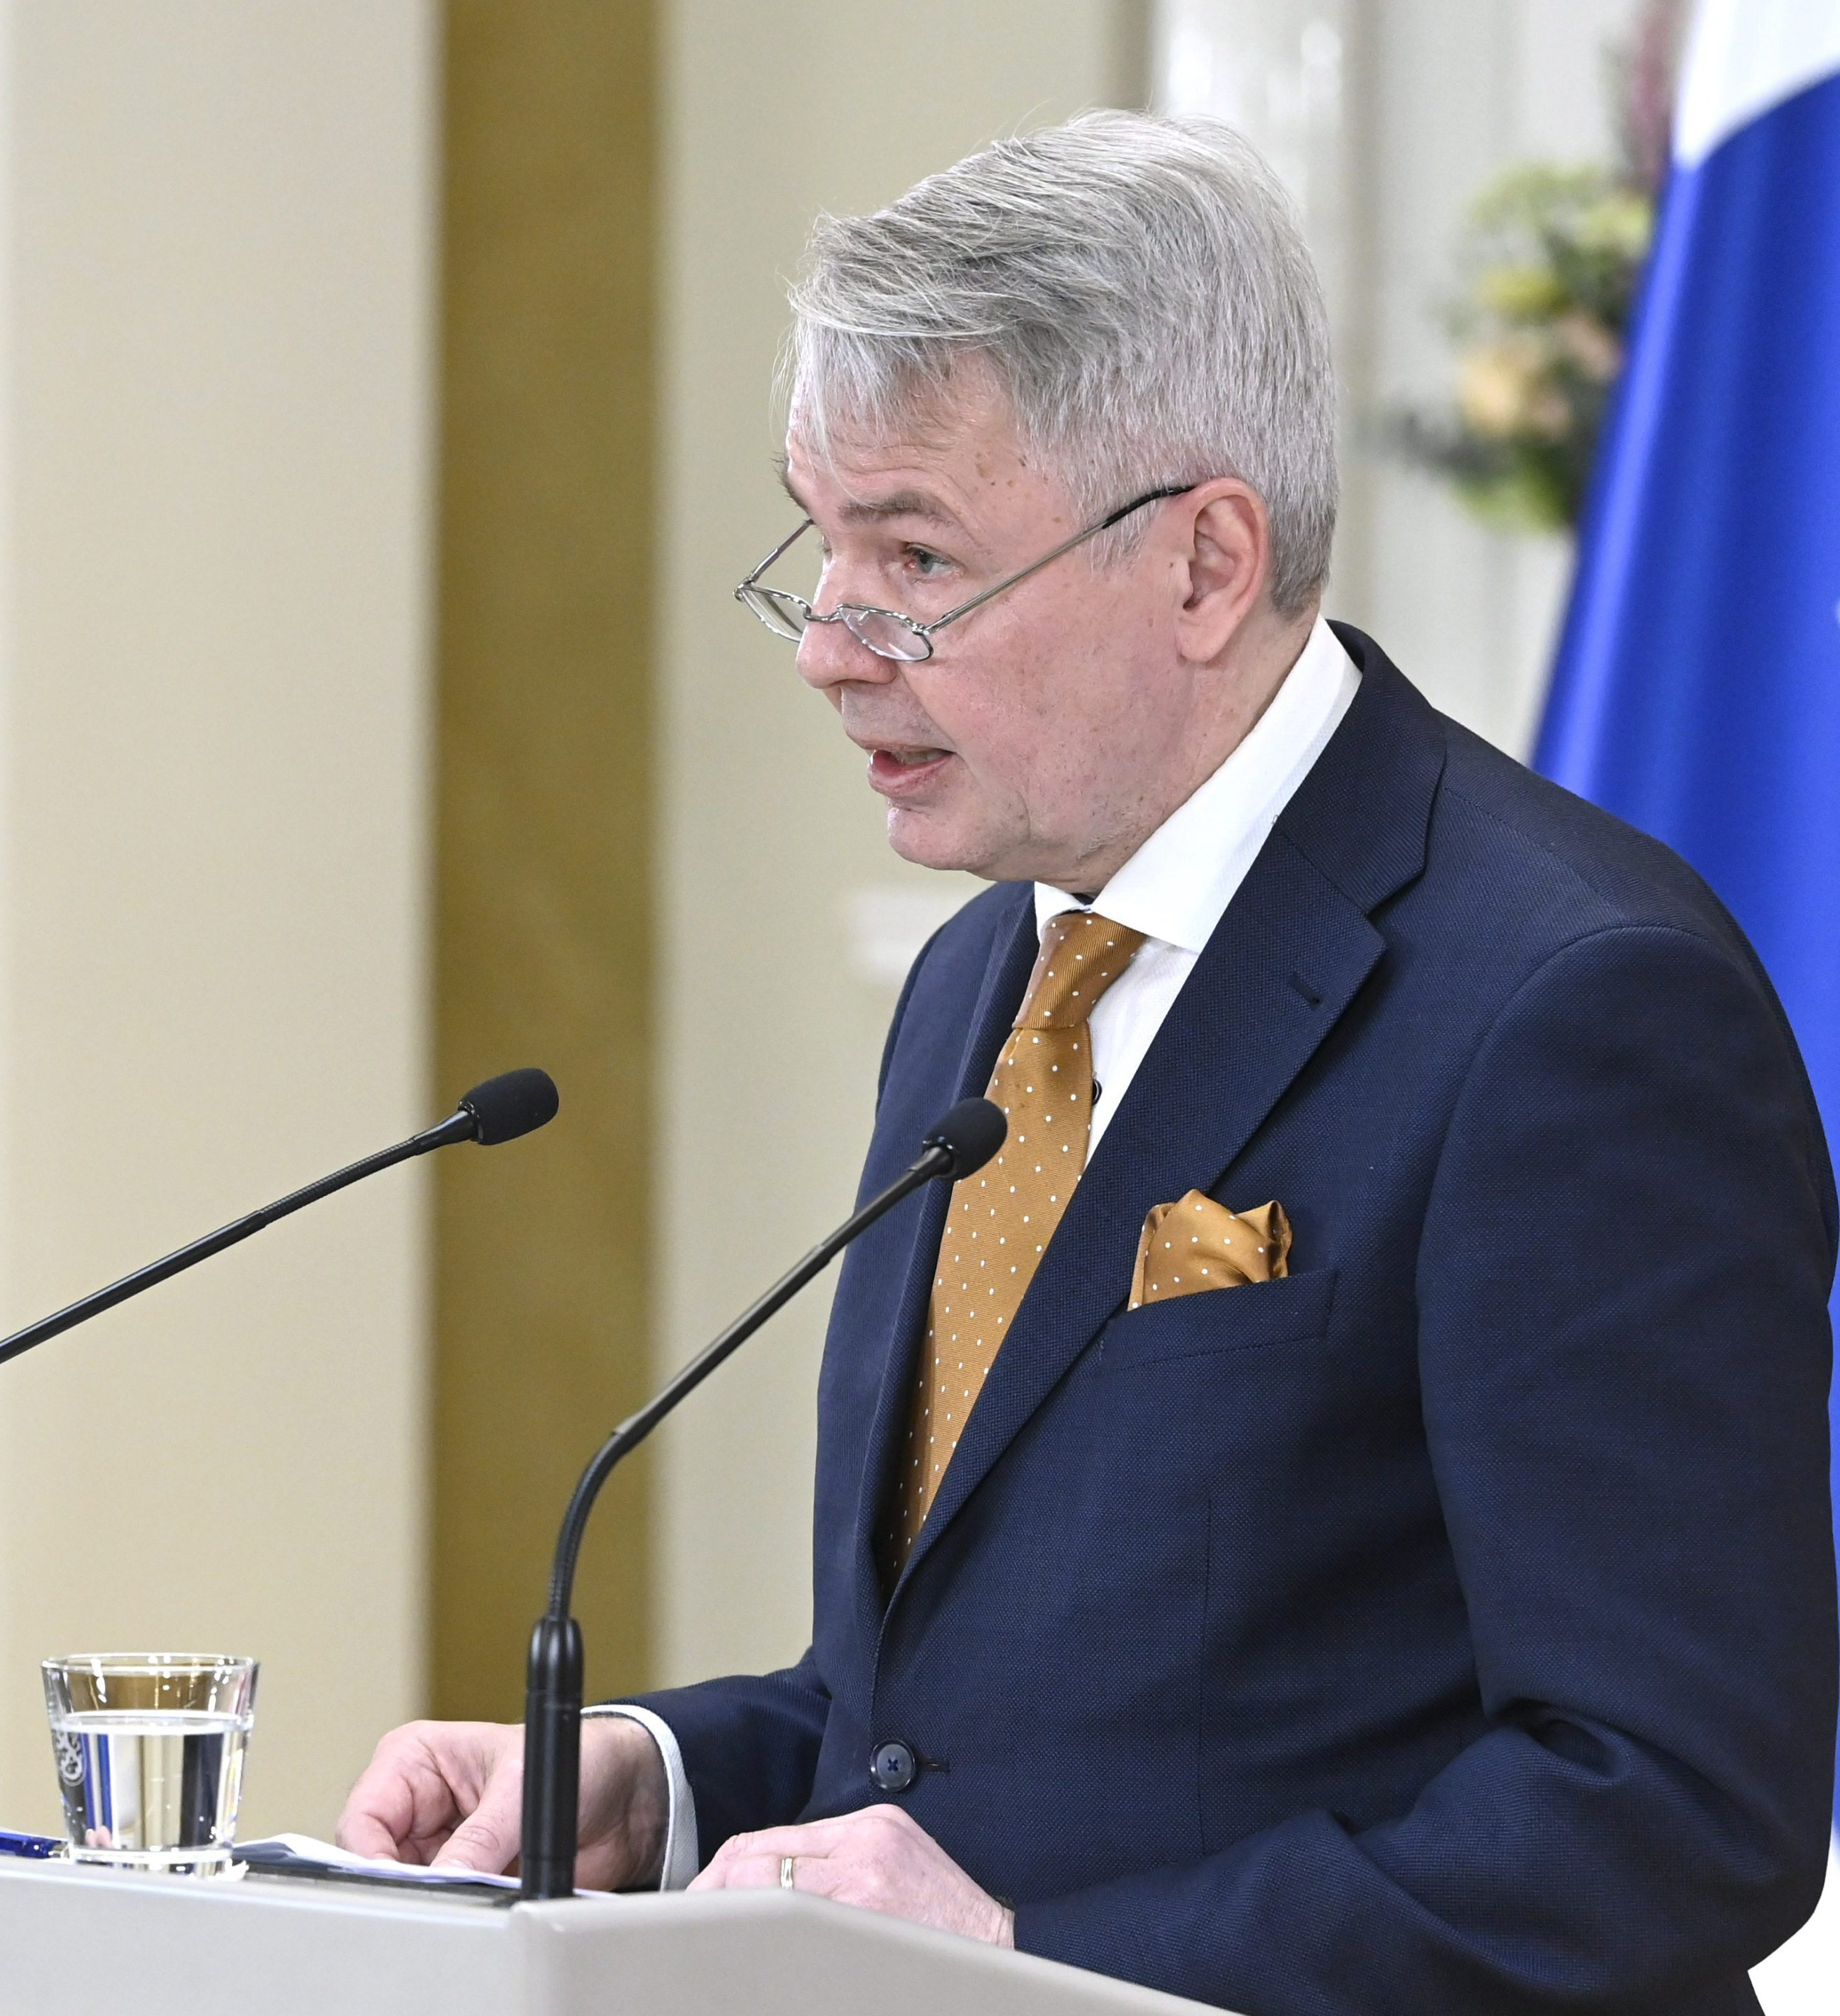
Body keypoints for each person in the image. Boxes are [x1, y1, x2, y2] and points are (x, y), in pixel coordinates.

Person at [340, 111, 1834, 2012]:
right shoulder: (988, 981)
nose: (830, 645)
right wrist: (667, 1771)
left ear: (1207, 560)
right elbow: (949, 1726)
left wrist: (1047, 1963)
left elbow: (1676, 1805)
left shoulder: (1569, 1005)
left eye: (918, 556)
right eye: (825, 543)